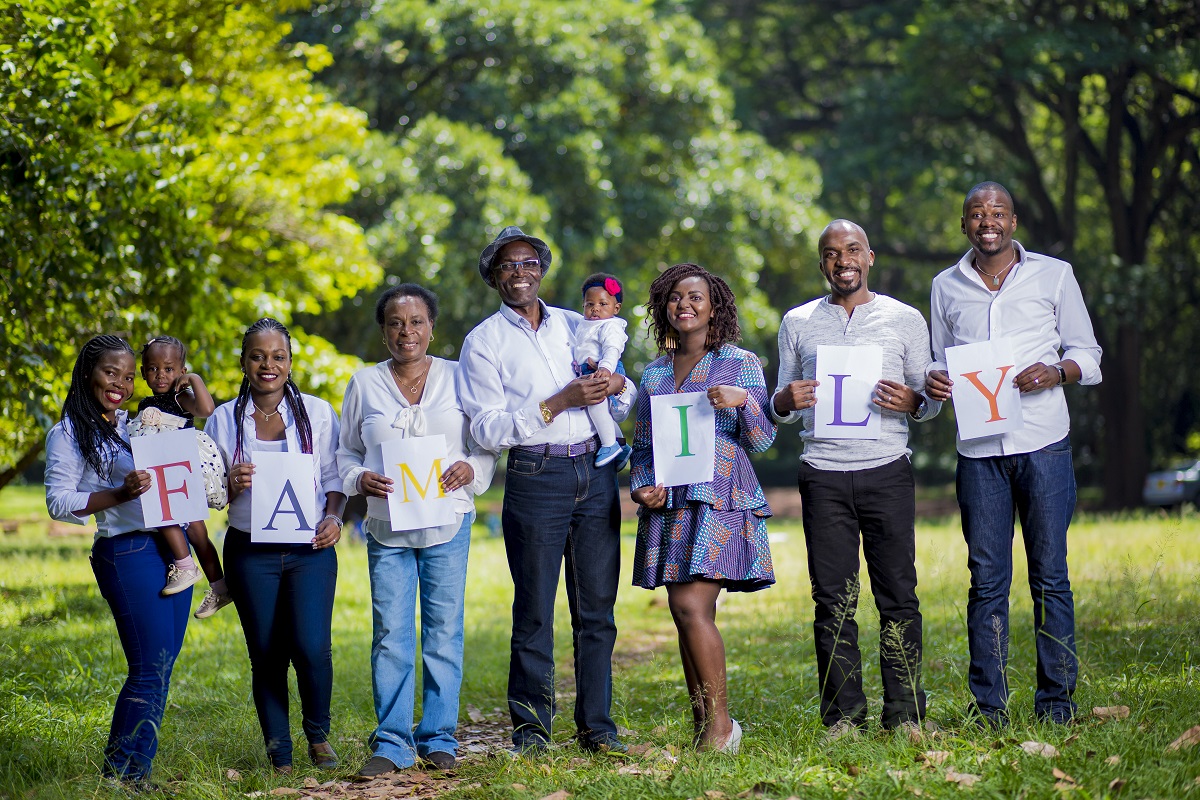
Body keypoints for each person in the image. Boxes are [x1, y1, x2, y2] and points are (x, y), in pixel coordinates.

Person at [925, 182, 1102, 726]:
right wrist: (933, 383)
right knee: (987, 579)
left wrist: (1057, 371)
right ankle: (990, 708)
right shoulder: (945, 286)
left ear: (1014, 221)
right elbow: (936, 361)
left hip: (1044, 441)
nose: (987, 222)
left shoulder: (1054, 274)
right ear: (964, 225)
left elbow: (1087, 353)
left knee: (1050, 575)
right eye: (976, 214)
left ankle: (1056, 704)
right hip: (979, 453)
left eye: (996, 213)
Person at [457, 226, 637, 754]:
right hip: (536, 477)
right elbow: (486, 429)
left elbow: (616, 402)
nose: (520, 272)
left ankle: (598, 730)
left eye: (529, 262)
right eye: (508, 265)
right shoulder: (483, 342)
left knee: (597, 610)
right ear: (494, 276)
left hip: (595, 471)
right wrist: (556, 402)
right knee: (535, 609)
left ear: (542, 270)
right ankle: (532, 732)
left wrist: (619, 386)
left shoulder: (578, 323)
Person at [771, 220, 941, 742]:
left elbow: (928, 399)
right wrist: (787, 401)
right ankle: (844, 718)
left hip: (887, 470)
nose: (841, 260)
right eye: (830, 253)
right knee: (833, 601)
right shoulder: (797, 322)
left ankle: (906, 713)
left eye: (850, 251)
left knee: (898, 595)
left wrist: (914, 402)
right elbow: (778, 403)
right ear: (821, 263)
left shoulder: (904, 319)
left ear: (869, 257)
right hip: (822, 475)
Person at [337, 284, 497, 778]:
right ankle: (391, 742)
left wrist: (472, 470)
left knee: (443, 631)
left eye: (416, 321)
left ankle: (439, 736)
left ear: (432, 326)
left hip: (448, 520)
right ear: (384, 332)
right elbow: (344, 453)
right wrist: (358, 479)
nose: (407, 331)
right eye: (395, 323)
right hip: (386, 526)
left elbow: (484, 442)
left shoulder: (458, 376)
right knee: (390, 633)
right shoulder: (364, 383)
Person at [630, 262, 777, 754]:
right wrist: (642, 486)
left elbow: (762, 440)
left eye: (695, 297)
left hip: (720, 498)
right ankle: (704, 727)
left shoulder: (740, 363)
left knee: (691, 605)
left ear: (714, 306)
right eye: (675, 297)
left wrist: (743, 402)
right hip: (670, 504)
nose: (684, 305)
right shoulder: (653, 372)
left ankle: (721, 728)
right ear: (663, 308)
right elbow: (644, 449)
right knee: (682, 611)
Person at [44, 335, 190, 787]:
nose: (121, 384)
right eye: (111, 373)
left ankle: (137, 773)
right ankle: (117, 775)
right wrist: (118, 494)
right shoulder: (69, 431)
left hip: (173, 545)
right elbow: (58, 501)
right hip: (126, 550)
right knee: (147, 668)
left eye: (129, 376)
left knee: (162, 665)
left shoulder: (138, 424)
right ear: (89, 371)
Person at [206, 318, 346, 772]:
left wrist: (334, 516)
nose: (269, 364)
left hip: (310, 549)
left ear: (290, 362)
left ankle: (319, 738)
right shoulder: (223, 419)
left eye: (278, 356)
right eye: (258, 356)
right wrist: (229, 483)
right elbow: (208, 496)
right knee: (265, 652)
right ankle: (278, 749)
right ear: (244, 362)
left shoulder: (319, 413)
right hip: (250, 550)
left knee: (310, 646)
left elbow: (334, 478)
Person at [131, 336, 231, 618]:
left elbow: (206, 409)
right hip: (162, 469)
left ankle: (186, 566)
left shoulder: (180, 397)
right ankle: (221, 587)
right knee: (194, 529)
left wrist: (195, 380)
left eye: (169, 369)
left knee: (177, 522)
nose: (160, 375)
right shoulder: (145, 403)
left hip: (181, 467)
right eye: (152, 369)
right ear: (143, 372)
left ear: (181, 371)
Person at [573, 273, 633, 469]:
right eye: (590, 304)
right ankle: (621, 445)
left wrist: (605, 369)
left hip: (605, 369)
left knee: (595, 404)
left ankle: (609, 445)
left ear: (616, 308)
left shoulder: (611, 326)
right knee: (599, 413)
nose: (595, 308)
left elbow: (612, 349)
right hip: (588, 371)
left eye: (603, 304)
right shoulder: (585, 324)